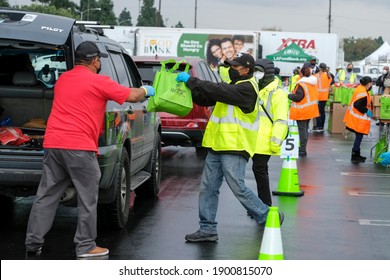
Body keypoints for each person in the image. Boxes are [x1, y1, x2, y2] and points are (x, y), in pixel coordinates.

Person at [25, 41, 155, 258]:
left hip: (54, 144)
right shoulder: (99, 81)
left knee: (46, 196)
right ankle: (86, 246)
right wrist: (145, 89)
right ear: (95, 61)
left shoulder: (63, 80)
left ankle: (33, 243)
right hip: (79, 147)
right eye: (99, 61)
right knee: (87, 197)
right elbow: (132, 96)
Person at [175, 54, 282, 242]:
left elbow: (217, 90)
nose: (231, 69)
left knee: (237, 186)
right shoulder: (232, 86)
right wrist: (189, 87)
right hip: (217, 144)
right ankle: (207, 229)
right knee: (208, 188)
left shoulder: (248, 88)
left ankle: (267, 215)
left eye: (235, 66)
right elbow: (207, 97)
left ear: (246, 69)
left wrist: (193, 80)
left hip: (235, 145)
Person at [252, 59, 289, 206]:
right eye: (255, 70)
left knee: (259, 169)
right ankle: (263, 204)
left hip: (266, 140)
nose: (256, 74)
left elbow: (281, 120)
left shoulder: (278, 93)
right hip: (254, 138)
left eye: (259, 71)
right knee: (260, 171)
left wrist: (275, 142)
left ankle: (264, 205)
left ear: (267, 73)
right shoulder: (257, 88)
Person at [288, 65, 319, 157]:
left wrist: (289, 95)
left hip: (302, 110)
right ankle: (303, 148)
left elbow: (298, 97)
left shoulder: (301, 84)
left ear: (301, 73)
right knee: (305, 130)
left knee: (302, 130)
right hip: (310, 109)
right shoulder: (312, 82)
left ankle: (302, 150)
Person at [343, 76, 373, 163]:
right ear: (368, 84)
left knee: (358, 137)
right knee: (359, 137)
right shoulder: (363, 92)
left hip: (355, 117)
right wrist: (366, 110)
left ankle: (356, 154)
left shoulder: (360, 89)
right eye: (371, 83)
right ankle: (355, 155)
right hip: (359, 119)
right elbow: (357, 105)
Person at [314, 63, 332, 133]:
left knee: (318, 112)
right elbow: (330, 80)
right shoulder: (328, 76)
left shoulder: (316, 75)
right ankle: (322, 126)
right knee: (322, 111)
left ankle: (318, 126)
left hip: (317, 96)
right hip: (324, 96)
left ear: (320, 68)